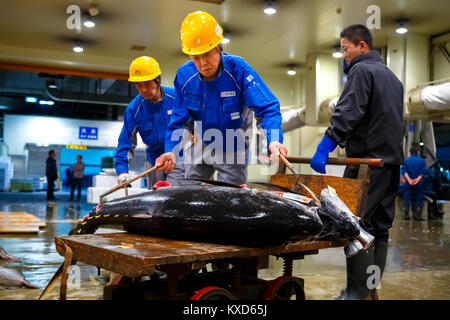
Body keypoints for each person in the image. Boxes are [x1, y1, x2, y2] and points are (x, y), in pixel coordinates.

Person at [310, 24, 404, 299]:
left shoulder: (362, 71)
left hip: (366, 166)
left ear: (362, 46)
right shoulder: (393, 78)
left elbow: (349, 112)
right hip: (389, 165)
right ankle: (369, 289)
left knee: (355, 225)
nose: (343, 55)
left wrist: (327, 143)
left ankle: (356, 292)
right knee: (380, 228)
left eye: (345, 48)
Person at [155, 11, 287, 185]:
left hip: (234, 145)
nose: (202, 63)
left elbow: (268, 108)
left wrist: (274, 140)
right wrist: (171, 151)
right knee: (187, 192)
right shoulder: (184, 76)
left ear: (219, 47)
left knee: (230, 199)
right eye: (196, 57)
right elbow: (178, 122)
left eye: (207, 54)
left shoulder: (239, 69)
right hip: (203, 143)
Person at [115, 56, 186, 188]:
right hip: (154, 164)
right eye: (139, 85)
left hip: (179, 158)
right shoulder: (133, 109)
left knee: (174, 198)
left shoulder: (176, 98)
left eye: (147, 84)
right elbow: (125, 143)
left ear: (158, 80)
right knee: (156, 201)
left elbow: (194, 122)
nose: (143, 90)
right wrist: (122, 171)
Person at [401, 144, 427, 221]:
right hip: (418, 183)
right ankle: (417, 216)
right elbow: (423, 172)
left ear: (410, 152)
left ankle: (406, 215)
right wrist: (417, 180)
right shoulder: (422, 161)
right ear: (418, 152)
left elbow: (404, 170)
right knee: (419, 198)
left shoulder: (406, 160)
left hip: (408, 183)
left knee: (407, 197)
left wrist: (409, 180)